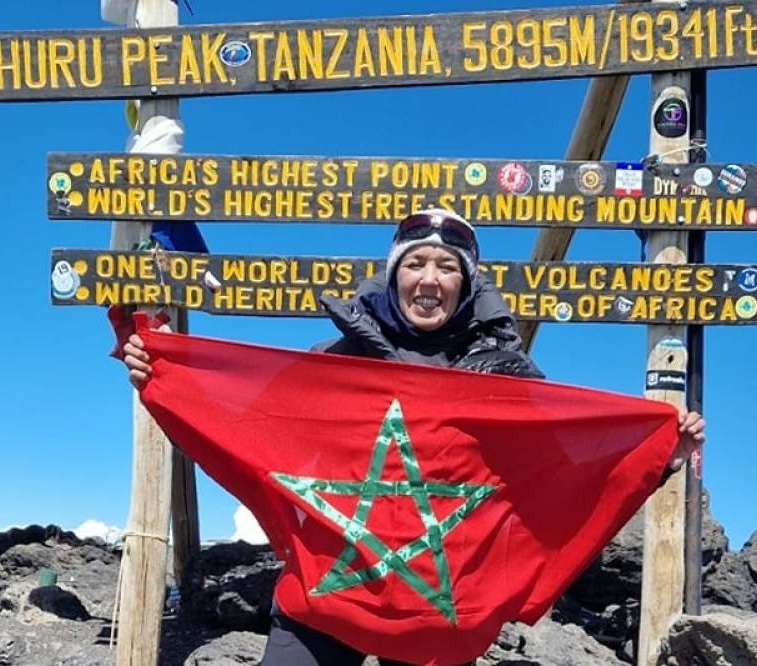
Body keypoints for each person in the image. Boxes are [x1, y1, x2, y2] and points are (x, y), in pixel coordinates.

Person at [122, 208, 706, 666]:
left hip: (438, 614)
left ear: (467, 283)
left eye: (447, 267)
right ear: (393, 273)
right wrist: (169, 376)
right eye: (415, 263)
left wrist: (658, 456)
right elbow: (258, 427)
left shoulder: (508, 378)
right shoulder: (337, 361)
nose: (429, 279)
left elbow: (561, 480)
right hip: (329, 596)